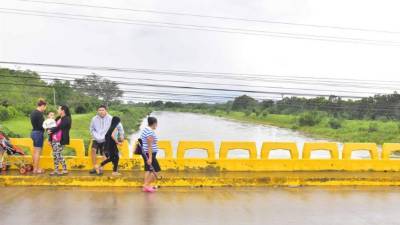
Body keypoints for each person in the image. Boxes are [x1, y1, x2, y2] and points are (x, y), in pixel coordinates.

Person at [89, 105, 124, 174]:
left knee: (105, 153)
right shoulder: (94, 119)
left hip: (106, 139)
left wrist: (121, 135)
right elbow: (91, 128)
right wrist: (93, 135)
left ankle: (101, 168)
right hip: (96, 137)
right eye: (99, 110)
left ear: (106, 111)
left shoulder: (111, 118)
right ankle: (95, 167)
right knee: (93, 150)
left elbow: (119, 126)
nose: (101, 111)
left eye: (103, 110)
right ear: (97, 111)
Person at [48, 105, 72, 176]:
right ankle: (56, 170)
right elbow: (52, 127)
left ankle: (65, 169)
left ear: (63, 111)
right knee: (55, 155)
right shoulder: (58, 118)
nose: (57, 111)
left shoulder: (67, 119)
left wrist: (51, 130)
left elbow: (59, 127)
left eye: (58, 109)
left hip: (61, 140)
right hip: (54, 140)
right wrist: (50, 139)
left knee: (58, 154)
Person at [140, 116, 161, 193]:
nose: (157, 125)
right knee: (156, 170)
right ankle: (146, 185)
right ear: (154, 123)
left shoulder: (146, 129)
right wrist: (150, 158)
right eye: (156, 124)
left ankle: (146, 186)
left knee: (148, 170)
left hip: (146, 153)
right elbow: (150, 146)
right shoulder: (150, 132)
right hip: (149, 154)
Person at [30, 98, 47, 174]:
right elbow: (42, 126)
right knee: (37, 152)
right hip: (38, 133)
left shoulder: (33, 112)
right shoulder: (39, 114)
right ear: (42, 105)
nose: (45, 109)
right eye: (45, 107)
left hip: (33, 132)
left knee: (35, 151)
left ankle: (35, 167)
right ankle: (36, 169)